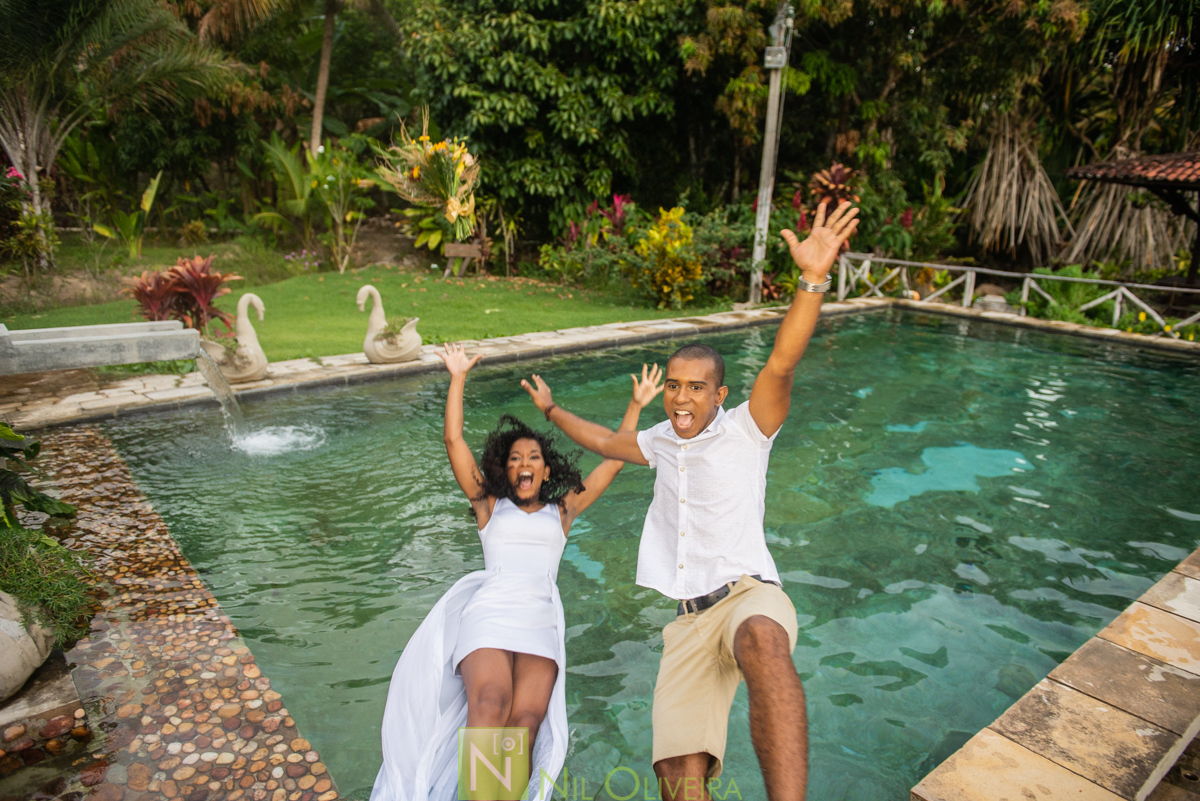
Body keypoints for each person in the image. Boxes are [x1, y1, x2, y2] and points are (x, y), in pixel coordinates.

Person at [520, 201, 860, 801]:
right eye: (673, 385)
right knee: (678, 778)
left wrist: (811, 280)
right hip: (687, 621)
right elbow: (603, 439)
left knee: (761, 638)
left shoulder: (749, 429)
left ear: (719, 394)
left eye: (695, 388)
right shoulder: (658, 441)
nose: (680, 397)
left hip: (748, 593)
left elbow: (782, 360)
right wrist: (550, 411)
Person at [371, 343, 664, 801]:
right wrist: (457, 376)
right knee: (489, 704)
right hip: (490, 612)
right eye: (514, 459)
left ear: (547, 469)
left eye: (532, 457)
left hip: (541, 619)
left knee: (526, 724)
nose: (523, 464)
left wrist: (635, 406)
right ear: (504, 471)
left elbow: (614, 458)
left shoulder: (564, 509)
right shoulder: (489, 505)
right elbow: (454, 441)